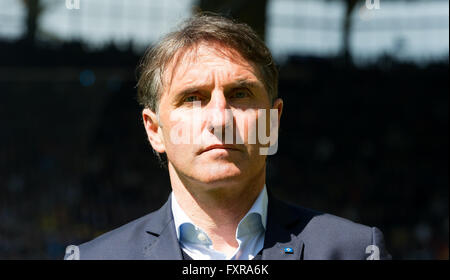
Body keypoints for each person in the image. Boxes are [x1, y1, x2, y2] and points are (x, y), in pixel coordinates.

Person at [64, 14, 391, 260]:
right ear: (154, 130)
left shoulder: (357, 252)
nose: (220, 118)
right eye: (192, 97)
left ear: (273, 122)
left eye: (240, 93)